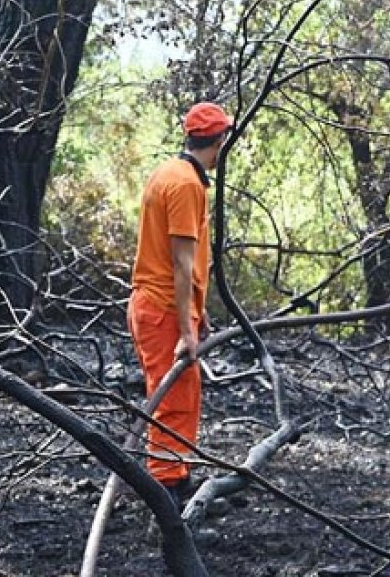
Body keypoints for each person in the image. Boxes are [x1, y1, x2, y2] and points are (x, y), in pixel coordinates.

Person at [128, 101, 231, 508]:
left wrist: (197, 313)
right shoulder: (186, 184)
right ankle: (165, 499)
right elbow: (181, 264)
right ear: (219, 142)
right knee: (170, 403)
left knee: (183, 395)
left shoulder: (170, 172)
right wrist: (186, 330)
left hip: (161, 305)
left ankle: (179, 479)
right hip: (162, 310)